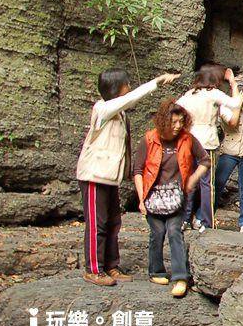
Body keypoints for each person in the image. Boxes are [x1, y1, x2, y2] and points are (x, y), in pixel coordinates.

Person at [76, 68, 180, 286]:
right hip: (95, 175)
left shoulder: (120, 114)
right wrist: (156, 82)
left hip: (109, 177)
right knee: (98, 223)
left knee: (113, 221)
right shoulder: (102, 108)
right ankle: (94, 269)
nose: (129, 87)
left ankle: (111, 265)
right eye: (126, 84)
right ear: (116, 88)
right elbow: (130, 99)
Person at [132, 100, 209, 298]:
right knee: (157, 232)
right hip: (152, 196)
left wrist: (192, 179)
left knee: (175, 231)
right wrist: (141, 199)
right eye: (173, 122)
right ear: (164, 121)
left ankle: (180, 277)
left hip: (176, 196)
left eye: (181, 122)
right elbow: (138, 170)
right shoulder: (149, 139)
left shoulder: (187, 139)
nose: (177, 127)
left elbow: (204, 160)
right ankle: (156, 271)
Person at [176, 64, 241, 232]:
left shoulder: (189, 95)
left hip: (189, 141)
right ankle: (206, 220)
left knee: (189, 180)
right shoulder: (213, 94)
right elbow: (234, 104)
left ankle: (185, 218)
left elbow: (174, 109)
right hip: (207, 143)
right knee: (207, 184)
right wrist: (233, 84)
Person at [215, 75, 243, 234]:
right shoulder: (226, 107)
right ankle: (205, 215)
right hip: (229, 151)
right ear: (241, 90)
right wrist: (238, 103)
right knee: (218, 183)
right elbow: (232, 123)